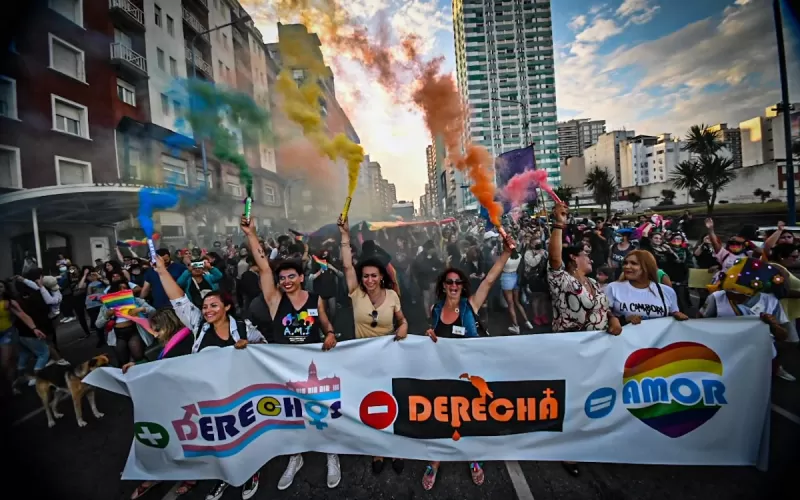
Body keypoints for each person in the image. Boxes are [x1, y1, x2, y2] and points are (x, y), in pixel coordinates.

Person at [152, 247, 266, 500]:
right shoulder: (199, 327)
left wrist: (249, 348)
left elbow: (268, 354)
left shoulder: (243, 328)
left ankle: (250, 473)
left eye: (214, 305)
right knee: (217, 440)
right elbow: (179, 300)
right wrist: (161, 271)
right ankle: (223, 477)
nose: (207, 310)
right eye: (204, 306)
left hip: (240, 395)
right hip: (208, 396)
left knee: (244, 436)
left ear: (227, 306)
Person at [240, 216, 341, 492]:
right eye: (282, 277)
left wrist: (330, 333)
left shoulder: (313, 298)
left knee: (322, 409)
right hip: (284, 368)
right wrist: (251, 235)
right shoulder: (275, 301)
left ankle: (331, 453)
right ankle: (294, 458)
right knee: (291, 414)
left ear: (300, 277)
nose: (285, 281)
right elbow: (263, 268)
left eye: (290, 276)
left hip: (313, 365)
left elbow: (324, 323)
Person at [420, 231, 515, 490]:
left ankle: (474, 458)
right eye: (449, 282)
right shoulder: (436, 309)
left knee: (470, 416)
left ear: (462, 286)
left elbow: (490, 280)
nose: (453, 286)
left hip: (471, 375)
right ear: (443, 285)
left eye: (458, 282)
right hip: (443, 375)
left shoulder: (470, 305)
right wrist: (430, 335)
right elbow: (433, 338)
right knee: (441, 418)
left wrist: (506, 252)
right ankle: (435, 462)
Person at [548, 203, 621, 477]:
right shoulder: (564, 281)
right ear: (572, 260)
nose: (590, 258)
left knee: (594, 396)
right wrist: (558, 224)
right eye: (584, 254)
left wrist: (613, 319)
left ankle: (593, 440)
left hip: (598, 352)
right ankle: (568, 449)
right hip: (572, 352)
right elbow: (553, 260)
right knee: (572, 399)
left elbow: (604, 309)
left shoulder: (595, 284)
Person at [338, 214, 409, 475]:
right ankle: (377, 452)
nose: (368, 280)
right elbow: (347, 267)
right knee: (370, 404)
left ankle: (396, 448)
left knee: (394, 403)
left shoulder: (392, 296)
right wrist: (345, 237)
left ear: (381, 277)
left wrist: (403, 327)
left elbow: (402, 321)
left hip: (391, 359)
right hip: (364, 361)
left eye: (373, 276)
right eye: (365, 276)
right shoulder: (356, 295)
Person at [605, 250, 689, 324]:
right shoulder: (613, 288)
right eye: (625, 263)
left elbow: (673, 317)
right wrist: (624, 320)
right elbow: (604, 315)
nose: (627, 266)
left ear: (647, 267)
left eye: (633, 263)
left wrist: (676, 315)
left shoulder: (667, 291)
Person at [95, 281, 155, 366]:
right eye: (120, 288)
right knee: (123, 361)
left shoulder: (136, 301)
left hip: (134, 332)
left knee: (139, 357)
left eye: (125, 288)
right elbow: (98, 324)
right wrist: (106, 316)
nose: (123, 290)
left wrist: (141, 309)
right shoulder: (106, 306)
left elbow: (153, 311)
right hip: (117, 335)